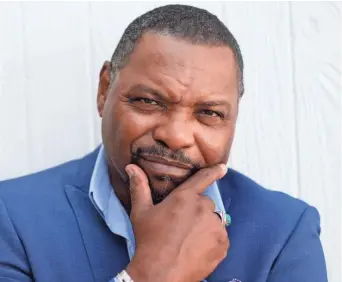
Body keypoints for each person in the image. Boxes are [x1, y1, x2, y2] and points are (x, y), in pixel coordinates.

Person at [0, 4, 327, 282]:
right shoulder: (13, 217)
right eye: (148, 101)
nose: (176, 135)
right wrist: (148, 274)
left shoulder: (285, 232)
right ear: (104, 91)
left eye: (209, 113)